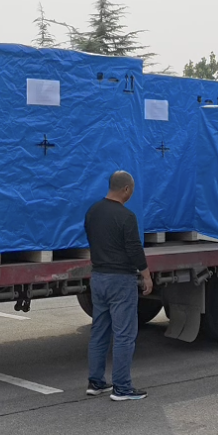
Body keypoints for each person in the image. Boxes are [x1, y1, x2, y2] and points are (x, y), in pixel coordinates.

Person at [84, 170, 154, 401]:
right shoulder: (126, 216)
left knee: (99, 331)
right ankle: (122, 388)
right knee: (124, 334)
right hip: (120, 280)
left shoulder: (93, 211)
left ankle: (95, 382)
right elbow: (134, 249)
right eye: (131, 190)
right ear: (126, 189)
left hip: (98, 277)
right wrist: (146, 275)